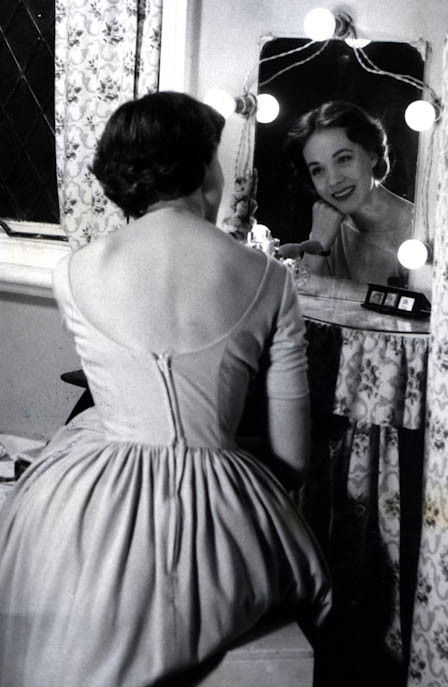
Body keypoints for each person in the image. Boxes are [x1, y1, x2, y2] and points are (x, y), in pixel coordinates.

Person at [0, 91, 331, 687]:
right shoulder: (269, 278)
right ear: (203, 168)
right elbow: (293, 461)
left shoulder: (71, 271)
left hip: (87, 514)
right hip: (221, 525)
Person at [282, 100, 414, 286]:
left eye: (343, 159)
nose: (333, 180)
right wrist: (317, 243)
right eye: (318, 170)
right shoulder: (329, 230)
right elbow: (301, 297)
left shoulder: (420, 232)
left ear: (372, 155)